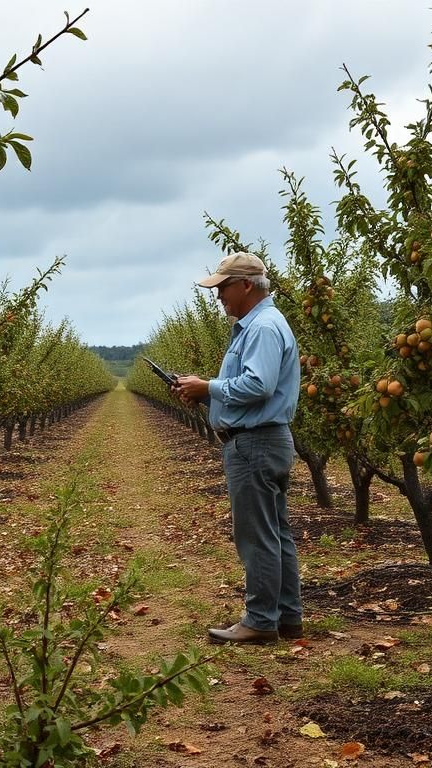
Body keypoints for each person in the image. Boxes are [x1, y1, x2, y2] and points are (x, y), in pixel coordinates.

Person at [174, 252, 302, 644]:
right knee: (275, 531)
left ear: (246, 285)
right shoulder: (259, 325)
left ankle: (260, 621)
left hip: (254, 444)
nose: (219, 297)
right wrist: (205, 394)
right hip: (263, 439)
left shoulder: (261, 327)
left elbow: (258, 385)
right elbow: (254, 390)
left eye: (223, 288)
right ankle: (286, 616)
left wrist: (209, 387)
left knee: (256, 535)